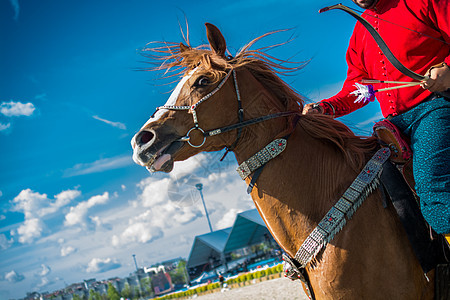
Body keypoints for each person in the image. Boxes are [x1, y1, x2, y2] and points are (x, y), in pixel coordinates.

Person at [303, 0, 450, 236]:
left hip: (435, 108)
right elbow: (359, 91)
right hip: (392, 129)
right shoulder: (360, 33)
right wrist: (325, 108)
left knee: (434, 190)